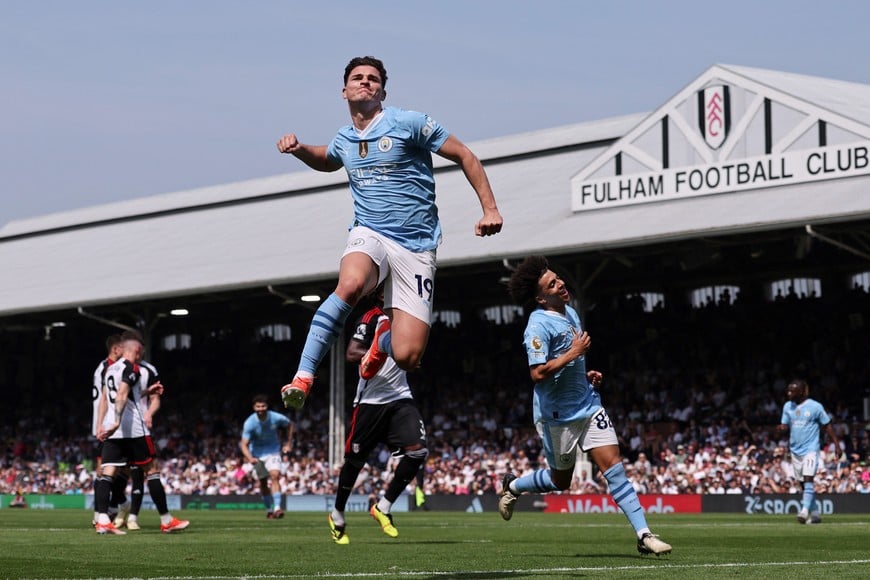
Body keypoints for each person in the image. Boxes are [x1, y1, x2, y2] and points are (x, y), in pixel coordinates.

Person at [276, 55, 503, 410]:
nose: (365, 82)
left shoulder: (408, 123)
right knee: (349, 285)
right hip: (370, 232)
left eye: (372, 78)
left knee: (408, 356)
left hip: (416, 245)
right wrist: (301, 150)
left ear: (382, 89)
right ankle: (303, 376)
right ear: (344, 91)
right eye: (357, 77)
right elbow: (329, 158)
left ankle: (382, 338)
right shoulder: (345, 138)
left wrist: (490, 209)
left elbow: (464, 155)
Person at [500, 255, 672, 556]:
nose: (561, 283)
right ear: (541, 297)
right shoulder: (537, 325)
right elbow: (537, 373)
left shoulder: (571, 313)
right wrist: (574, 354)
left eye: (558, 278)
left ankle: (644, 535)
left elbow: (572, 357)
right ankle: (514, 486)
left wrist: (583, 371)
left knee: (614, 469)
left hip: (588, 405)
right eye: (552, 284)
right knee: (560, 481)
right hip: (557, 415)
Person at [327, 292, 428, 544]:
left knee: (417, 452)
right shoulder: (372, 317)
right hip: (370, 401)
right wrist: (387, 350)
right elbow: (352, 353)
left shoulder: (408, 317)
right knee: (354, 462)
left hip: (400, 396)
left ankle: (383, 507)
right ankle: (337, 514)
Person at [96, 330, 189, 535]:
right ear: (137, 350)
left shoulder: (110, 369)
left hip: (114, 430)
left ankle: (102, 519)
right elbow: (122, 394)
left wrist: (147, 392)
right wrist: (118, 421)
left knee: (107, 473)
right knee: (152, 470)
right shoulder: (132, 368)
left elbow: (117, 395)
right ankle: (166, 520)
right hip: (133, 429)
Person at [777, 378, 842, 524]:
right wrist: (781, 429)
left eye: (792, 390)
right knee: (802, 484)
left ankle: (804, 511)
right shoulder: (787, 406)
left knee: (808, 479)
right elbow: (785, 424)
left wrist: (837, 445)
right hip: (795, 450)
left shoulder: (815, 406)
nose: (788, 393)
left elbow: (827, 425)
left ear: (801, 392)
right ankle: (815, 513)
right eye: (788, 390)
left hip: (811, 449)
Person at [116, 357, 163, 531]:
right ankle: (121, 506)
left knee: (138, 473)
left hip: (139, 429)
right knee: (112, 473)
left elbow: (155, 399)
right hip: (118, 430)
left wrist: (149, 413)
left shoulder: (148, 370)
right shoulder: (116, 368)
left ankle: (133, 517)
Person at [90, 334, 129, 527]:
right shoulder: (111, 368)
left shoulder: (103, 367)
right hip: (109, 423)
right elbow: (107, 398)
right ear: (115, 349)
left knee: (114, 469)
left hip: (105, 422)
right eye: (123, 347)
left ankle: (107, 509)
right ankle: (106, 509)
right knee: (107, 469)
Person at [240, 394, 294, 519]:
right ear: (254, 407)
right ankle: (269, 510)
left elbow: (290, 424)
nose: (261, 408)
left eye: (263, 406)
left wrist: (288, 443)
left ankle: (277, 508)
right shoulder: (250, 423)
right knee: (263, 482)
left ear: (267, 406)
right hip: (257, 455)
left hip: (273, 451)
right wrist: (250, 458)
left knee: (275, 475)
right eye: (258, 406)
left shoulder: (276, 417)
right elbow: (243, 444)